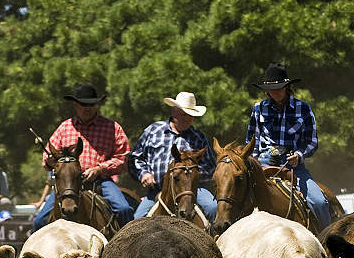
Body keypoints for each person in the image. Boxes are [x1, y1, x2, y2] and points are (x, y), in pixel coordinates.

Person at [32, 83, 133, 231]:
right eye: (83, 104)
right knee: (39, 221)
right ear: (75, 105)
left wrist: (99, 169)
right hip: (67, 183)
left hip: (100, 181)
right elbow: (47, 156)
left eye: (91, 104)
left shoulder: (112, 128)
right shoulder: (64, 127)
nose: (87, 108)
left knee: (124, 209)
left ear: (97, 105)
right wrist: (50, 161)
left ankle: (127, 247)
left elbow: (122, 158)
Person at [244, 63, 330, 227]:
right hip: (261, 168)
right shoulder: (258, 109)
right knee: (233, 202)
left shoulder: (303, 109)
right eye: (271, 88)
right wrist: (252, 165)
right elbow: (250, 143)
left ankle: (326, 243)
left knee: (320, 203)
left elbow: (312, 142)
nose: (275, 92)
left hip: (294, 169)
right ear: (266, 90)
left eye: (279, 87)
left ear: (287, 87)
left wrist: (299, 155)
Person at [130, 91, 216, 220]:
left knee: (212, 208)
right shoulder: (153, 130)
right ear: (173, 111)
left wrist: (190, 174)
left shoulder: (199, 138)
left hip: (192, 191)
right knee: (137, 220)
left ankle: (215, 239)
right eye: (183, 114)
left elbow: (210, 167)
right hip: (157, 190)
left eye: (190, 115)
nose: (186, 118)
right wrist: (144, 174)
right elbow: (135, 157)